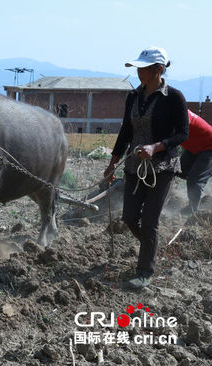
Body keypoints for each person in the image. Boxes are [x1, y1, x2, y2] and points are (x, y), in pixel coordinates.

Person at [103, 47, 189, 289]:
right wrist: (112, 163)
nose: (139, 72)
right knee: (130, 217)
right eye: (138, 68)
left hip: (162, 168)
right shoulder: (133, 97)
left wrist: (157, 147)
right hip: (134, 166)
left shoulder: (174, 97)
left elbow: (183, 133)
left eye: (143, 68)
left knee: (150, 221)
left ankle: (144, 272)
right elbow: (125, 131)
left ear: (158, 70)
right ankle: (150, 248)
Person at [179, 110, 212, 214]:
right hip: (195, 146)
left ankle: (192, 212)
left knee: (195, 180)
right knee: (179, 171)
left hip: (209, 146)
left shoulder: (178, 112)